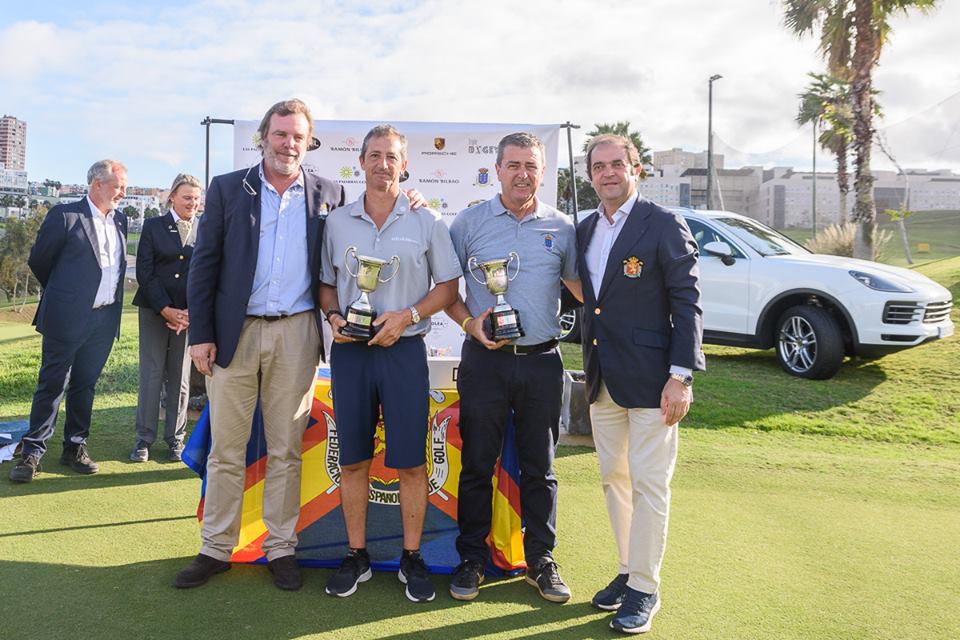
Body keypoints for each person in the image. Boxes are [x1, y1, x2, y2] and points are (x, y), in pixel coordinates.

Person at [174, 99, 345, 591]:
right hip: (234, 333)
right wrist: (200, 335)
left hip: (297, 332)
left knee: (287, 449)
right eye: (280, 134)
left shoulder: (328, 193)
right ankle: (215, 547)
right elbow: (204, 265)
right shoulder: (229, 188)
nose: (288, 144)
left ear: (308, 142)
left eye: (298, 136)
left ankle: (281, 548)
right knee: (226, 449)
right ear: (264, 137)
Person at [319, 125, 461, 603]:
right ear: (360, 161)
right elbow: (324, 283)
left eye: (391, 157)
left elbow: (448, 288)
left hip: (404, 352)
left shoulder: (428, 220)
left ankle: (412, 557)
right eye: (375, 155)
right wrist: (335, 315)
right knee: (354, 459)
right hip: (351, 353)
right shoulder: (337, 222)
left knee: (411, 461)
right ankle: (355, 554)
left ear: (405, 165)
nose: (383, 164)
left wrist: (409, 315)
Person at [443, 132, 582, 603]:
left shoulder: (563, 227)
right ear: (497, 170)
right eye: (514, 165)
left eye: (532, 166)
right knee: (478, 463)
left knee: (541, 468)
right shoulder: (468, 223)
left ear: (544, 173)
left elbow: (584, 290)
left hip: (543, 361)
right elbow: (445, 291)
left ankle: (540, 559)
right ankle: (471, 558)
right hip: (486, 361)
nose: (523, 174)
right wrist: (468, 323)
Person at [577, 134, 704, 634]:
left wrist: (681, 375)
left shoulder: (664, 222)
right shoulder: (586, 228)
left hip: (655, 382)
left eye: (616, 164)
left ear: (636, 169)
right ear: (590, 176)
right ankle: (629, 571)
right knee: (615, 479)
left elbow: (687, 301)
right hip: (602, 378)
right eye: (599, 166)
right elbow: (590, 298)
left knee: (651, 484)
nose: (608, 173)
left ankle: (646, 588)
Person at [9, 160, 128, 483]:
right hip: (66, 318)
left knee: (84, 386)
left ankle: (74, 447)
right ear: (97, 185)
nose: (123, 193)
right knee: (51, 385)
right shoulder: (65, 215)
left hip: (104, 320)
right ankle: (32, 452)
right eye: (118, 186)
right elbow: (40, 261)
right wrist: (67, 297)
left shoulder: (122, 220)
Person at [129, 173, 202, 463]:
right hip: (154, 311)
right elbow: (144, 272)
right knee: (152, 375)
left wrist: (190, 313)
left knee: (181, 379)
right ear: (171, 197)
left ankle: (175, 439)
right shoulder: (152, 226)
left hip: (188, 316)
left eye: (196, 199)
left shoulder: (206, 229)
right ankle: (143, 439)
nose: (193, 203)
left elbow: (208, 274)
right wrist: (165, 309)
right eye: (187, 197)